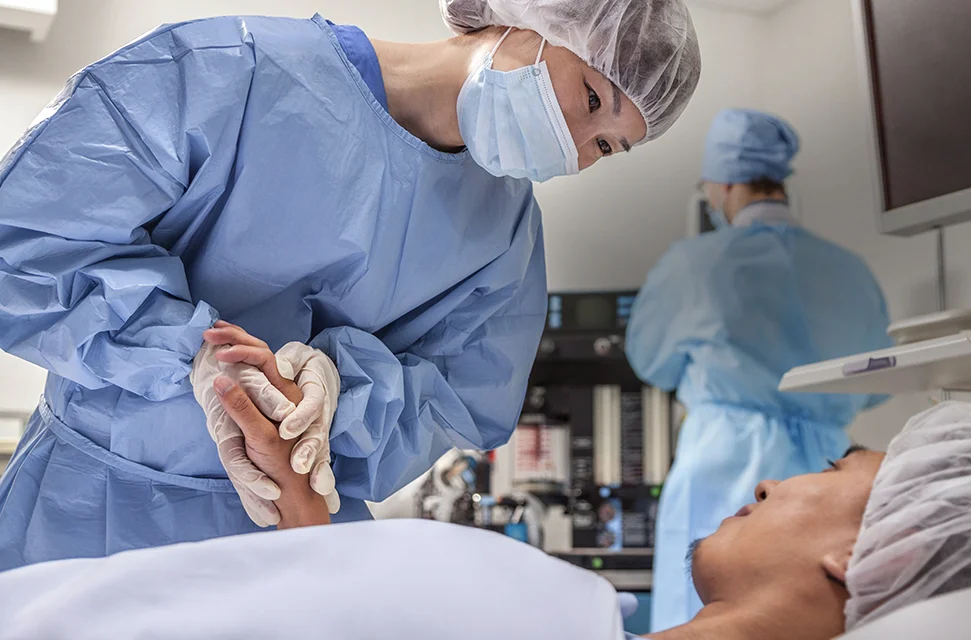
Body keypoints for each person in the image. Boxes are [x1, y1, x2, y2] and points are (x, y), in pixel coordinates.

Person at [0, 0, 701, 570]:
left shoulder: (504, 235)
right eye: (588, 99)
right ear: (528, 17)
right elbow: (29, 237)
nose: (577, 145)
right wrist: (189, 355)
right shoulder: (229, 69)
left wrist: (336, 397)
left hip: (286, 543)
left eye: (607, 147)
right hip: (84, 509)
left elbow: (462, 396)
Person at [0, 401, 971, 639]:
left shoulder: (524, 602)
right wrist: (321, 539)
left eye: (836, 466)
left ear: (884, 551)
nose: (778, 481)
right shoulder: (536, 604)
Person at [624, 107, 892, 629]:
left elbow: (651, 361)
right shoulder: (850, 269)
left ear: (721, 185)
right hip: (828, 474)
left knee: (708, 611)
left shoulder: (694, 263)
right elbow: (875, 386)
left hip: (724, 456)